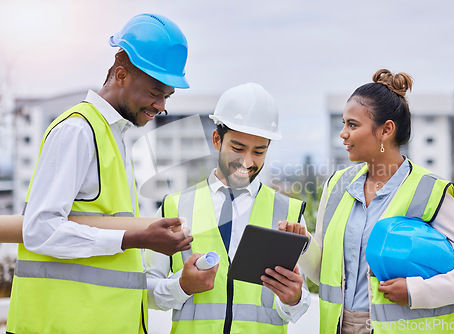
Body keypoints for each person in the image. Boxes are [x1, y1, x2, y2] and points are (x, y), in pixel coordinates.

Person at [7, 13, 193, 334]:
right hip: (60, 325)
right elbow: (39, 229)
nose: (162, 105)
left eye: (167, 96)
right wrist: (137, 238)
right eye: (154, 92)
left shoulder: (114, 136)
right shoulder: (78, 131)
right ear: (121, 75)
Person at [280, 69, 454, 334]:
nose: (343, 134)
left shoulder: (431, 191)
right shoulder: (337, 185)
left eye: (352, 125)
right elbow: (325, 273)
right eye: (343, 124)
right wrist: (304, 243)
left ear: (386, 130)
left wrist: (416, 291)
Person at [145, 82, 311, 333]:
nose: (247, 161)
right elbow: (147, 292)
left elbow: (299, 304)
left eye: (259, 151)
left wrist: (294, 298)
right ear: (216, 139)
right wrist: (182, 285)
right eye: (238, 148)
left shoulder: (289, 213)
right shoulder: (173, 208)